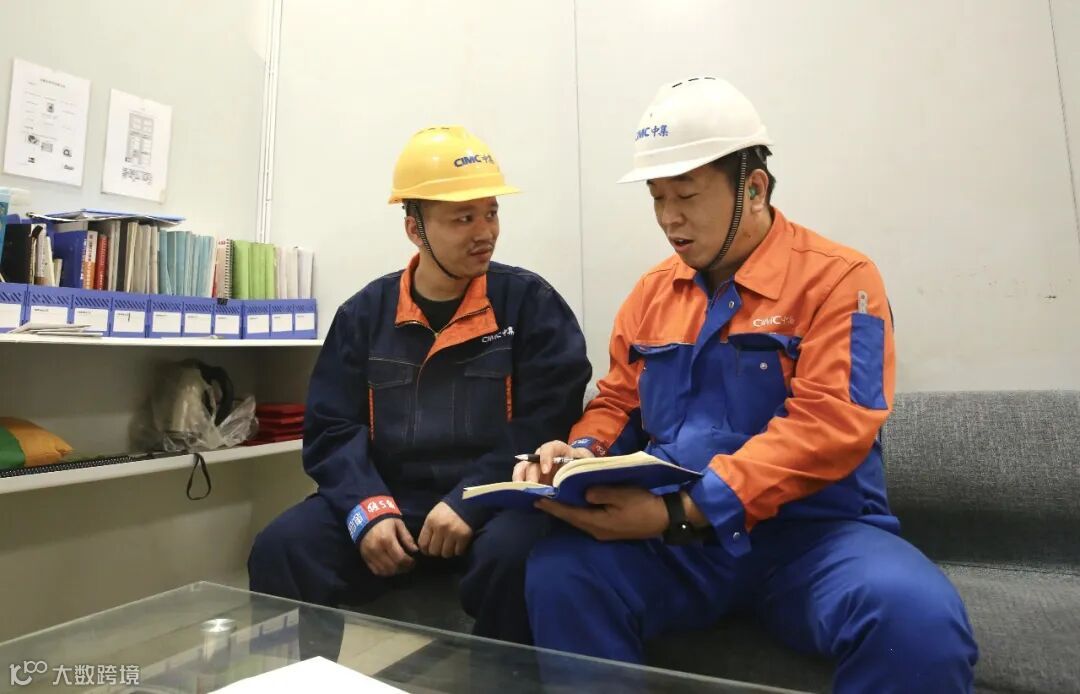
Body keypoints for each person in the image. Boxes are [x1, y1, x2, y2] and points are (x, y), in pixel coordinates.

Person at [516, 78, 978, 692]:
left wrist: (683, 511)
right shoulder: (652, 294)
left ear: (753, 188)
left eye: (686, 194)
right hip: (681, 546)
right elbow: (619, 402)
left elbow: (832, 425)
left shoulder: (842, 280)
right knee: (562, 573)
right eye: (657, 198)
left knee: (916, 619)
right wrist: (580, 453)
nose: (669, 218)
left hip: (812, 537)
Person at [249, 125, 591, 649]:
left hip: (495, 503)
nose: (485, 232)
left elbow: (547, 420)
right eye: (463, 218)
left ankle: (498, 683)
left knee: (518, 559)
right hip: (392, 502)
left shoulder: (530, 304)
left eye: (491, 213)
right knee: (283, 548)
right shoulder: (365, 315)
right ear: (415, 228)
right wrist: (367, 509)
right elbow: (331, 429)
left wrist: (469, 501)